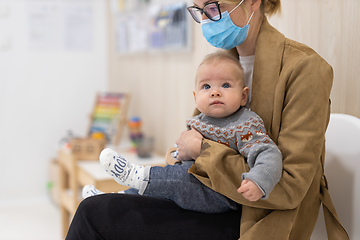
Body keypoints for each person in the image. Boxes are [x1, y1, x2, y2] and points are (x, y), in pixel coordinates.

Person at [66, 0, 349, 239]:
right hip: (203, 194)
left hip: (256, 215)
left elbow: (289, 187)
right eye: (199, 11)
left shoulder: (305, 69)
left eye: (214, 8)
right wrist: (183, 153)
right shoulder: (221, 65)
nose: (207, 21)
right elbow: (187, 142)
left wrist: (203, 152)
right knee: (101, 205)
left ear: (253, 2)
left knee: (95, 214)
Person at [82, 51, 282, 211]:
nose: (215, 91)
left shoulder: (245, 123)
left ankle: (139, 175)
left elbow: (267, 153)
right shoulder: (199, 121)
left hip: (220, 194)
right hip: (191, 182)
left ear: (243, 96)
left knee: (177, 178)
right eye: (206, 86)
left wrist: (259, 180)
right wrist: (178, 154)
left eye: (226, 85)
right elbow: (181, 154)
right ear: (196, 97)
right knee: (161, 185)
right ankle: (112, 201)